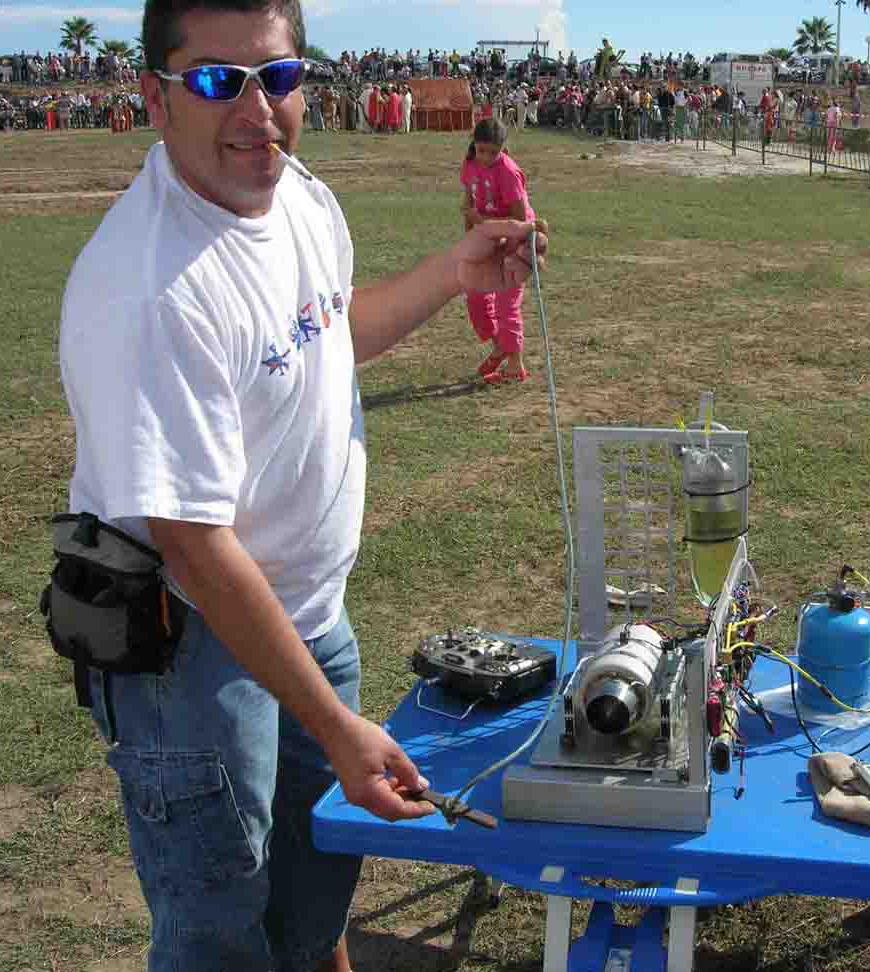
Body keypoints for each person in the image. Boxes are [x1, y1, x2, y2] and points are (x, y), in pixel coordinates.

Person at [55, 1, 548, 969]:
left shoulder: (301, 197)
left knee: (314, 908)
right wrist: (335, 723)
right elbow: (194, 545)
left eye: (278, 77)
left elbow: (330, 331)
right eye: (216, 80)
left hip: (310, 619)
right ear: (156, 96)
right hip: (194, 656)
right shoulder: (149, 290)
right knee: (220, 937)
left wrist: (453, 273)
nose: (256, 109)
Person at [461, 117, 535, 384]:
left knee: (506, 302)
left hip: (516, 241)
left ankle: (515, 366)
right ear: (474, 145)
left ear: (502, 149)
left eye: (493, 152)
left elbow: (519, 220)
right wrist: (471, 240)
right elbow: (468, 205)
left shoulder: (508, 172)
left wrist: (505, 248)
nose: (486, 157)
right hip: (487, 238)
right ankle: (500, 346)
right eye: (481, 150)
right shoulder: (469, 164)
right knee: (476, 297)